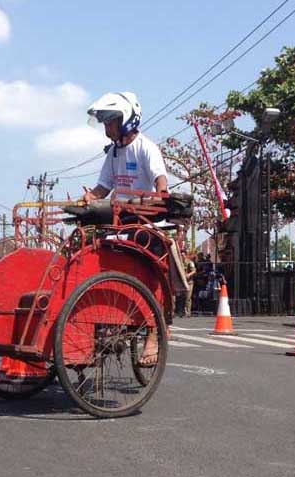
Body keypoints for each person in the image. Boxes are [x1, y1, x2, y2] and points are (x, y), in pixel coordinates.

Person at [82, 91, 168, 365]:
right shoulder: (114, 153)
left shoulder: (146, 148)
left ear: (127, 120)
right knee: (95, 258)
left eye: (110, 122)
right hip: (119, 222)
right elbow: (102, 188)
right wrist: (87, 199)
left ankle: (154, 335)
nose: (107, 128)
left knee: (149, 274)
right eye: (105, 123)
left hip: (145, 222)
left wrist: (150, 198)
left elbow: (161, 184)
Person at [183, 252, 197, 318]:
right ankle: (182, 311)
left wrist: (188, 275)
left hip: (189, 282)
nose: (182, 256)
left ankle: (188, 312)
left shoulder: (190, 262)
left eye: (183, 255)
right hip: (182, 282)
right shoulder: (180, 262)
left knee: (188, 297)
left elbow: (194, 271)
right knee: (183, 297)